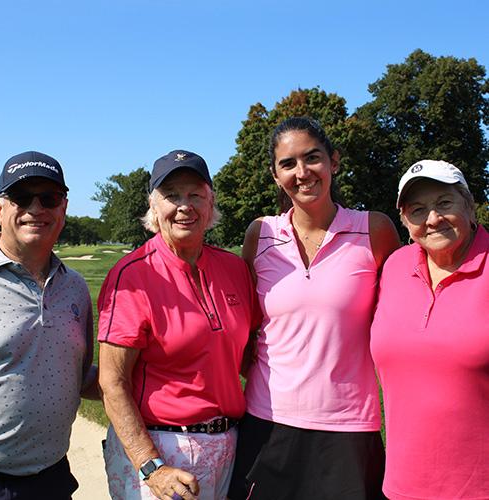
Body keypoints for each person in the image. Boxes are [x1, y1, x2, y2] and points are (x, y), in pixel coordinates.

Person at [228, 117, 401, 500]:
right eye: (288, 164)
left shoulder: (374, 229)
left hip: (349, 428)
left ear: (334, 162)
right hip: (267, 421)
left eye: (313, 158)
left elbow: (401, 319)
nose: (302, 172)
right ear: (275, 176)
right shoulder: (261, 234)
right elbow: (247, 326)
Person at [98, 150, 260, 500]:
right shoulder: (131, 275)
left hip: (228, 444)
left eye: (195, 195)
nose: (184, 205)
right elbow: (113, 382)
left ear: (211, 203)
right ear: (154, 207)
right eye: (172, 195)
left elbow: (251, 355)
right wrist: (150, 464)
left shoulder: (234, 269)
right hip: (161, 449)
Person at [370, 160, 489, 499]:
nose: (433, 218)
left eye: (444, 203)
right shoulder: (394, 267)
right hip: (401, 486)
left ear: (469, 205)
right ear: (405, 222)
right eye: (418, 209)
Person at [0, 151, 98, 499]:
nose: (36, 209)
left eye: (49, 198)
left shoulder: (75, 288)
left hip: (53, 477)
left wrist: (151, 377)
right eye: (22, 197)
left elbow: (81, 376)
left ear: (63, 208)